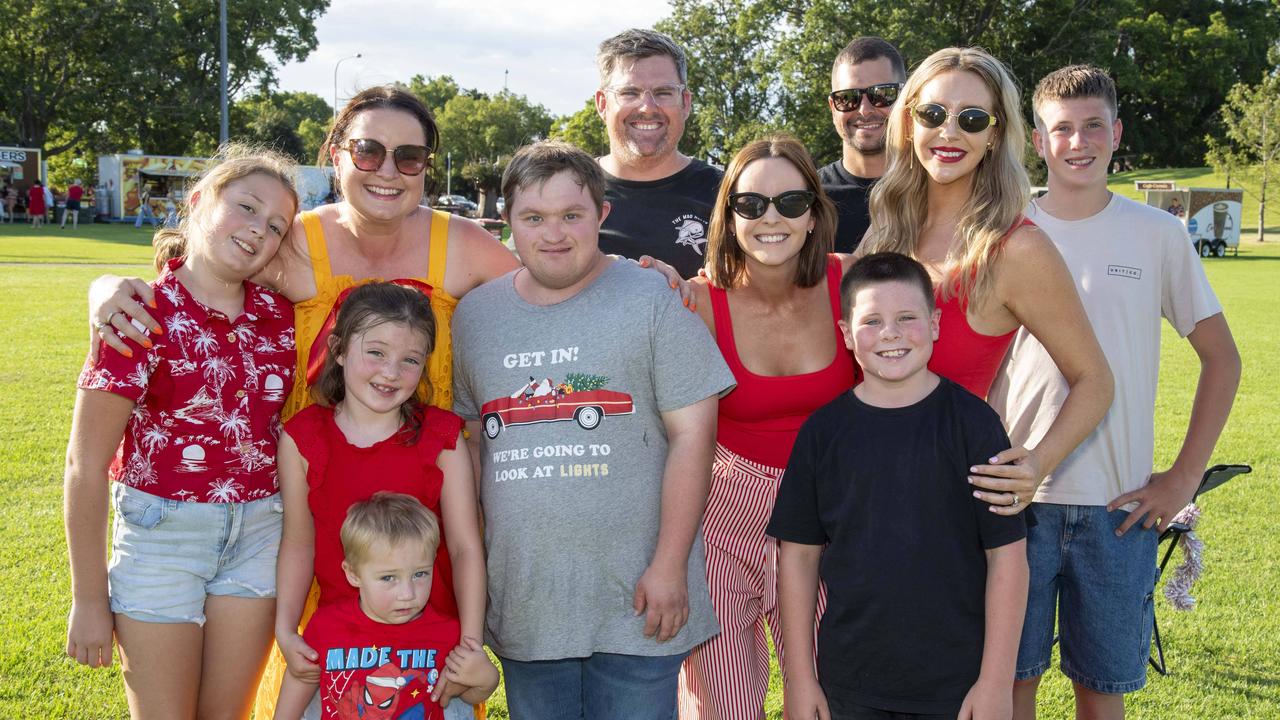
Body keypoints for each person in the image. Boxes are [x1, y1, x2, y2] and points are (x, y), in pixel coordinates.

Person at [988, 65, 1241, 720]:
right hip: (1018, 499)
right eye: (1061, 129)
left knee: (1102, 693)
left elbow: (1222, 360)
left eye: (1093, 126)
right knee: (1008, 684)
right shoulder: (1003, 230)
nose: (1079, 142)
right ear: (1037, 141)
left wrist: (1184, 478)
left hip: (1118, 507)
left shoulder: (1156, 235)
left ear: (1117, 133)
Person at [452, 140, 735, 718]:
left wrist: (670, 565)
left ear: (603, 215)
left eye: (571, 216)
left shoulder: (650, 297)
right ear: (506, 221)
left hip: (637, 594)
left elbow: (694, 437)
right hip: (528, 596)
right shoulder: (475, 316)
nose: (553, 233)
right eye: (533, 218)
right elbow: (474, 441)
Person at [63, 144, 299, 718]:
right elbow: (84, 466)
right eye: (246, 207)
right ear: (197, 202)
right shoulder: (140, 315)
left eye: (275, 226)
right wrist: (90, 600)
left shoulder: (281, 314)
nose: (258, 230)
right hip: (162, 538)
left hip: (259, 537)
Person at [769, 252, 1028, 720]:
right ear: (846, 334)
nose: (890, 333)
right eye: (872, 321)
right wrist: (800, 680)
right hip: (849, 683)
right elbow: (799, 558)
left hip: (956, 684)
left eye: (907, 318)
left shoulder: (974, 426)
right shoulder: (823, 434)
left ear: (934, 324)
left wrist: (995, 683)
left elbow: (1007, 557)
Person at [860, 46, 1114, 510]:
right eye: (933, 113)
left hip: (947, 509)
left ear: (995, 135)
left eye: (973, 118)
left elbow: (1095, 379)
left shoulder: (1017, 248)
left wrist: (1035, 465)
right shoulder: (885, 232)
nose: (949, 132)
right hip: (859, 493)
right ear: (909, 121)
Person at [679, 135, 857, 720]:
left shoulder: (852, 286)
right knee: (724, 704)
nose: (771, 218)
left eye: (789, 201)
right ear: (729, 217)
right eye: (751, 205)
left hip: (829, 515)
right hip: (724, 516)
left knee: (830, 692)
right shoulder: (697, 304)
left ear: (815, 213)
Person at [273, 282, 486, 713]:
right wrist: (285, 628)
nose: (391, 372)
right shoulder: (304, 439)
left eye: (410, 360)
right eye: (376, 352)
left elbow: (465, 547)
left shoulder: (441, 438)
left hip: (429, 658)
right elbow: (298, 541)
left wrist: (470, 645)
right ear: (338, 349)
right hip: (342, 658)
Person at [275, 492, 498, 720]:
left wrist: (488, 679)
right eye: (388, 578)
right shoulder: (326, 626)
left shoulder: (447, 632)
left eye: (420, 574)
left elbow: (466, 694)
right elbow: (300, 677)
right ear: (353, 574)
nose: (407, 594)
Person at [595, 28, 724, 278]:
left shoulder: (727, 195)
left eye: (664, 92)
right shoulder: (567, 191)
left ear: (685, 102)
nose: (647, 107)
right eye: (629, 93)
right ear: (602, 104)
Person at [820, 37, 907, 253]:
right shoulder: (808, 200)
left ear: (905, 98)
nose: (864, 110)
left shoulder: (933, 192)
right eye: (847, 98)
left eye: (882, 94)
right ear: (833, 107)